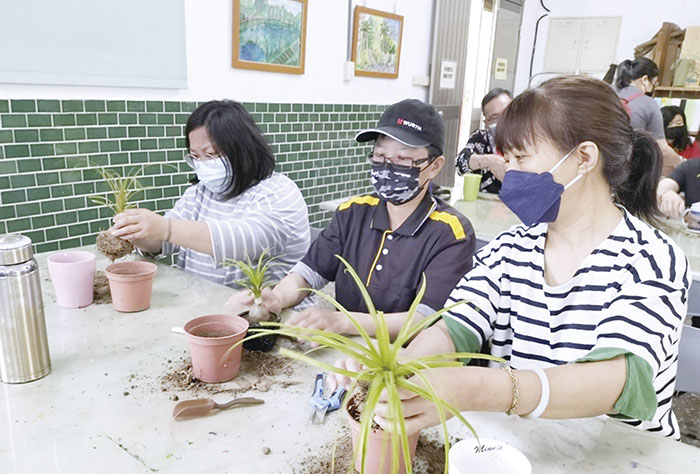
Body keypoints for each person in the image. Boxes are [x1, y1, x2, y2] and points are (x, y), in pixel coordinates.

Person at [367, 76, 690, 439]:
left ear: (584, 158)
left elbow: (617, 380)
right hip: (526, 450)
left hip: (623, 467)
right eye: (508, 158)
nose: (509, 173)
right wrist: (397, 369)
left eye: (521, 157)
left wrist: (475, 388)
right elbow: (453, 326)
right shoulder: (511, 249)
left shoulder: (651, 259)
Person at [228, 99, 476, 337]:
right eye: (380, 156)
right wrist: (278, 297)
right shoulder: (353, 212)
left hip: (406, 362)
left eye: (403, 159)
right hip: (344, 354)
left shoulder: (451, 232)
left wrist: (342, 321)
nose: (388, 166)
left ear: (434, 166)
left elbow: (424, 320)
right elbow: (308, 273)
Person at [109, 100, 310, 286]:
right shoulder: (198, 194)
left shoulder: (280, 192)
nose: (203, 164)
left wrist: (165, 228)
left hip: (268, 316)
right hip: (202, 305)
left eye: (211, 155)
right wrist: (139, 232)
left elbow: (243, 242)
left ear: (242, 150)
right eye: (196, 156)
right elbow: (163, 241)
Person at [615, 58, 681, 176]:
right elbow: (662, 150)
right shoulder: (648, 103)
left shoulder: (605, 94)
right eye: (653, 84)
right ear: (645, 79)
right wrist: (682, 161)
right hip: (630, 171)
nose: (651, 90)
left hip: (597, 166)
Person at [455, 88, 512, 193]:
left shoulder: (531, 139)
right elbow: (460, 163)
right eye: (495, 117)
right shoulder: (482, 138)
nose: (503, 120)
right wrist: (489, 161)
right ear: (487, 122)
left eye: (507, 112)